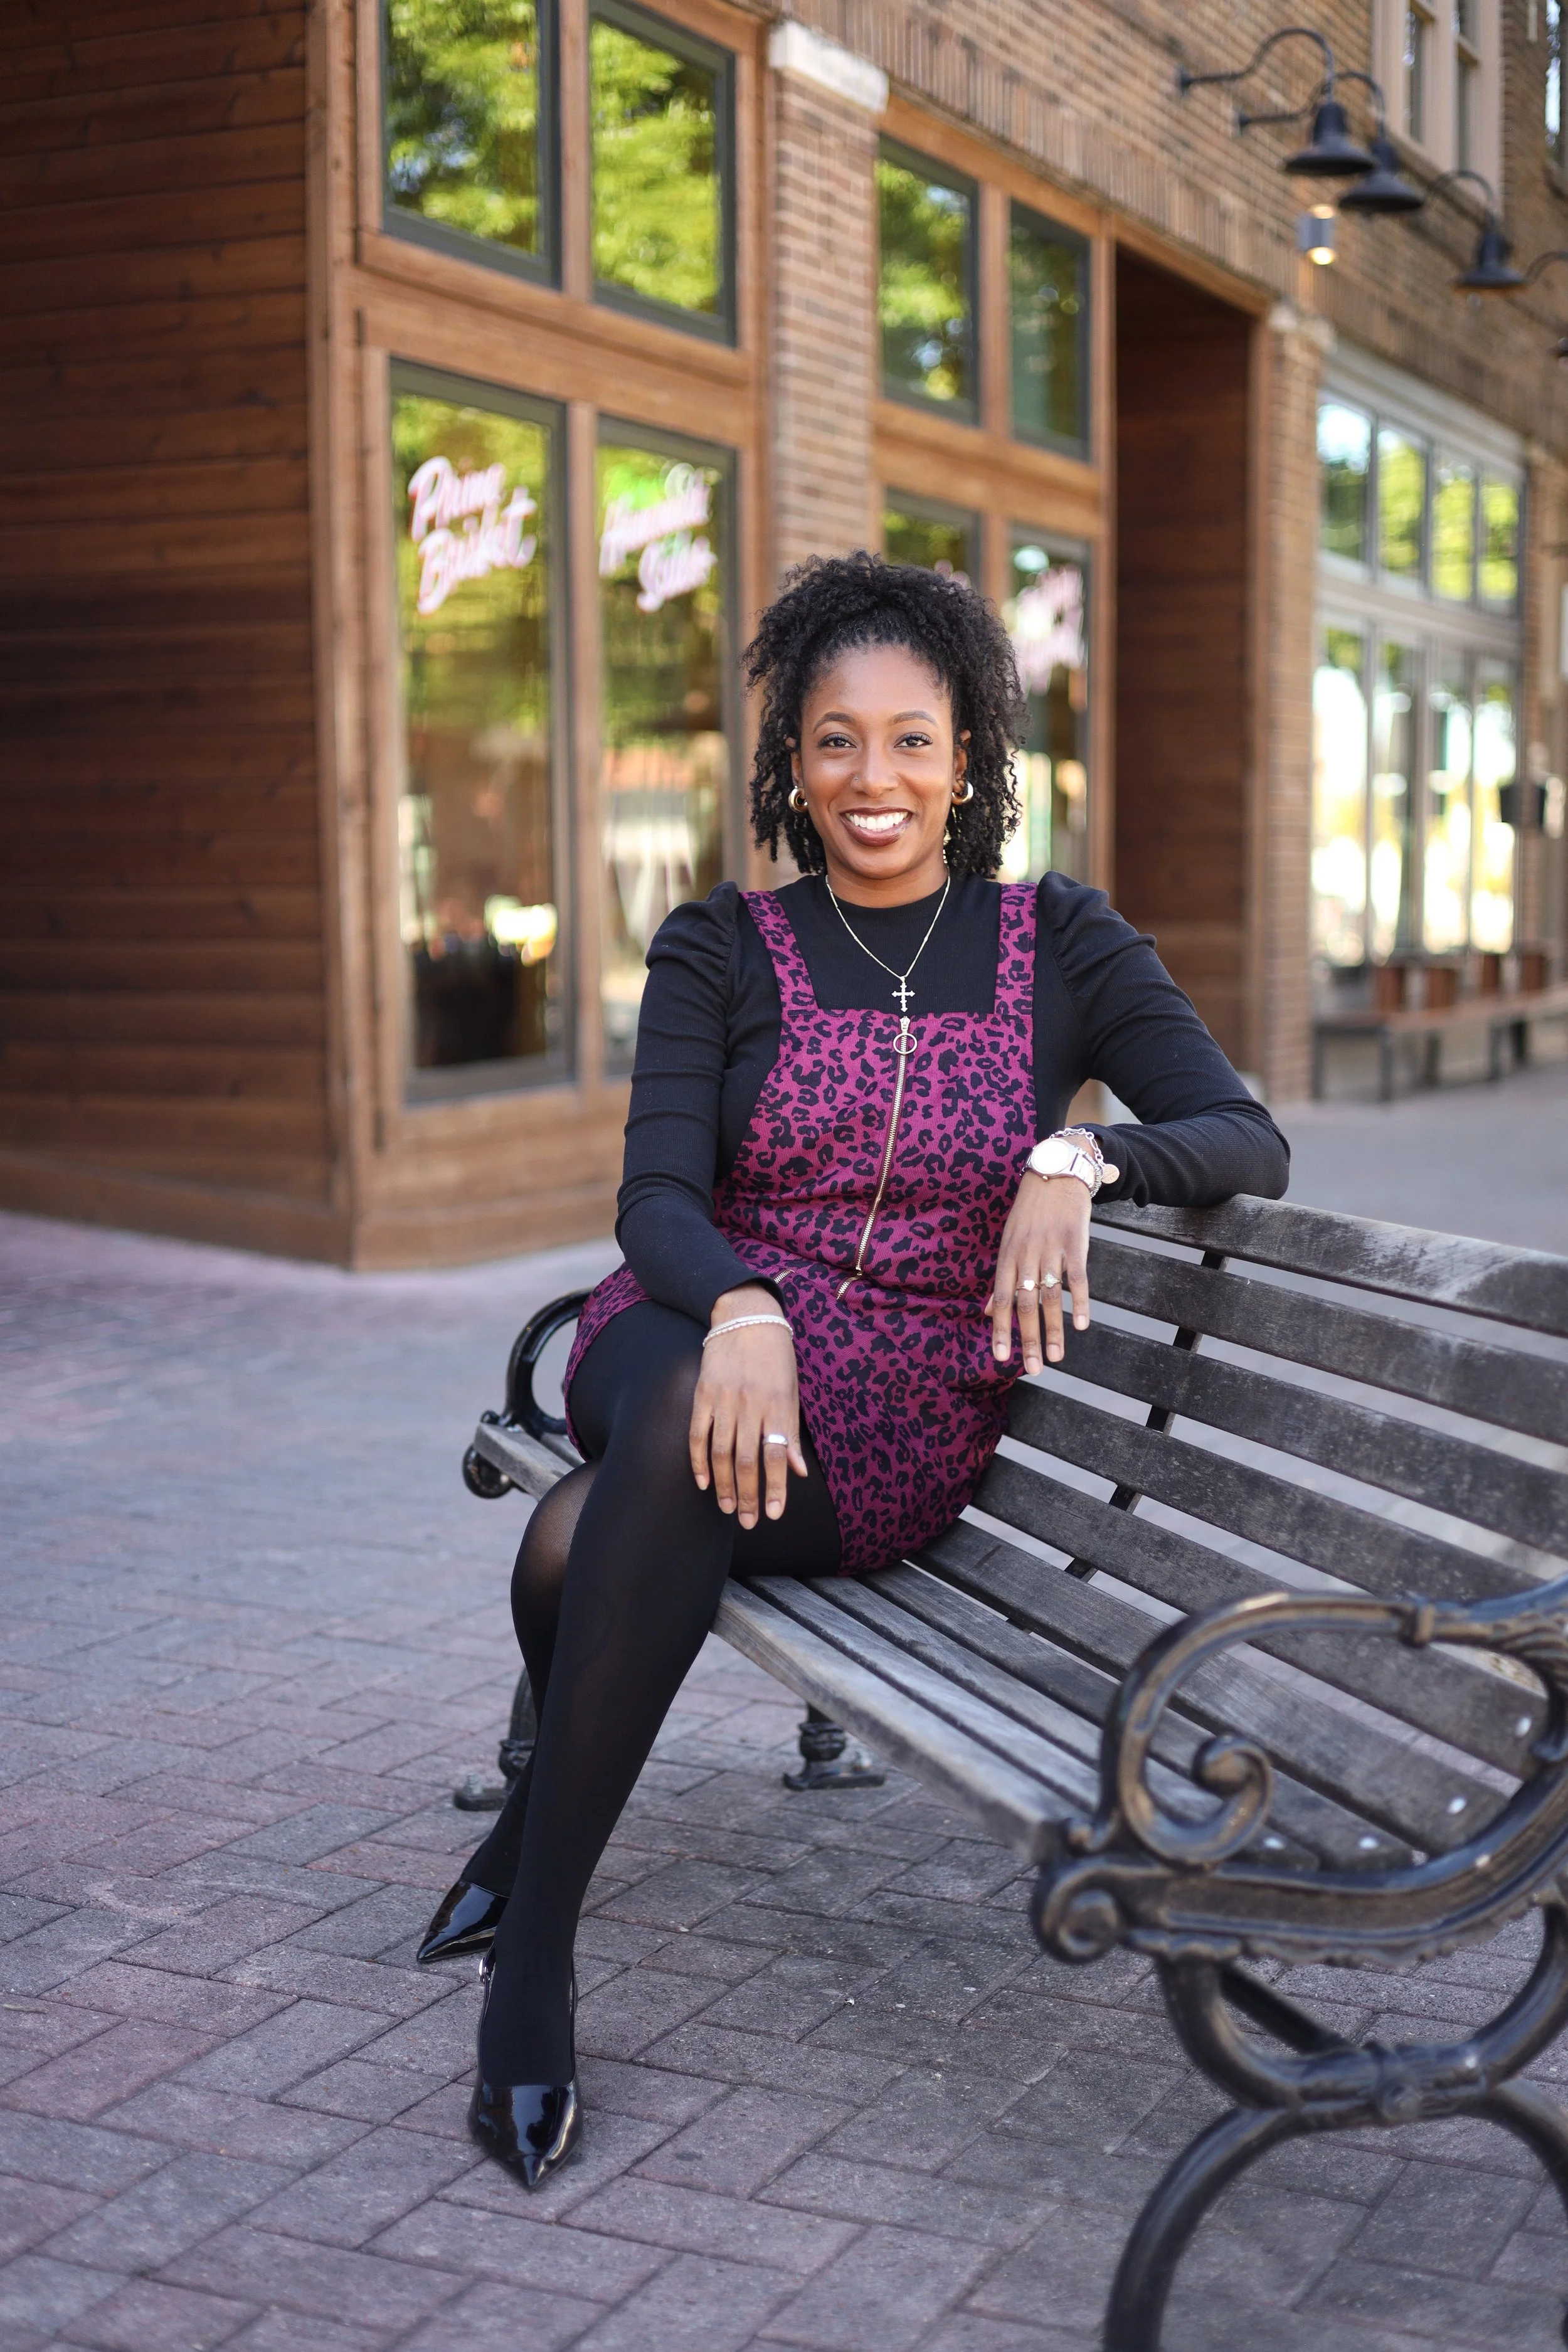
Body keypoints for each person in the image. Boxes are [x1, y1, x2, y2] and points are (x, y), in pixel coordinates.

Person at [418, 551, 1290, 2186]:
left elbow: (1246, 1135)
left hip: (890, 1418)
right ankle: (533, 1971)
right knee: (675, 1417)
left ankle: (530, 1843)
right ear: (791, 762)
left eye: (909, 740)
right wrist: (745, 1307)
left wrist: (1079, 1158)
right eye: (835, 741)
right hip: (681, 1323)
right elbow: (656, 1202)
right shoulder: (721, 944)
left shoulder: (1063, 941)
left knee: (572, 1533)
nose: (871, 778)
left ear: (967, 760)